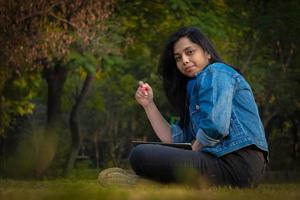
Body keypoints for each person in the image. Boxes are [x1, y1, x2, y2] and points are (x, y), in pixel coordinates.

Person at [129, 26, 268, 188]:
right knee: (144, 151)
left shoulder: (217, 72)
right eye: (178, 58)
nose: (184, 60)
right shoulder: (195, 93)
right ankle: (149, 182)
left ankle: (149, 180)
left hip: (238, 163)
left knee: (141, 155)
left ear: (207, 52)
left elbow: (215, 126)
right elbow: (174, 138)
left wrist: (191, 152)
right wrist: (149, 104)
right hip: (217, 164)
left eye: (189, 52)